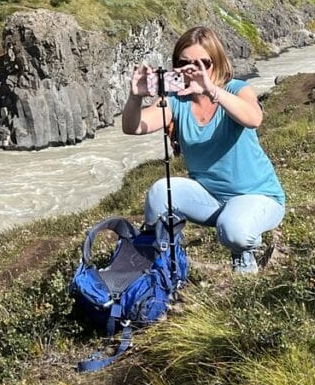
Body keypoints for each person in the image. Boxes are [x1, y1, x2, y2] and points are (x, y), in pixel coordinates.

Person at [121, 26, 285, 274]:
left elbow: (253, 118)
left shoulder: (236, 89)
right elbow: (133, 127)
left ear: (216, 64)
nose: (192, 70)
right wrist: (135, 97)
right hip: (209, 198)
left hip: (258, 196)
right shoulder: (176, 101)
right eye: (184, 63)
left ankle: (248, 248)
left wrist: (211, 90)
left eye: (202, 64)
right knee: (158, 194)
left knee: (234, 231)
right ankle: (165, 264)